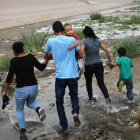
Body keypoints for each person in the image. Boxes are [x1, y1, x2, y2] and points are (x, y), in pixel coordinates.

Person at [1, 42, 49, 140]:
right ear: (23, 49)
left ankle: (23, 130)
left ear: (14, 51)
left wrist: (4, 91)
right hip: (34, 87)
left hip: (21, 89)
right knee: (31, 102)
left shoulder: (14, 61)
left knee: (19, 109)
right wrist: (46, 59)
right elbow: (41, 67)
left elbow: (9, 78)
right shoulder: (30, 57)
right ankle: (38, 109)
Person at [44, 21, 83, 135]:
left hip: (60, 76)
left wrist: (52, 55)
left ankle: (65, 128)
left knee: (59, 101)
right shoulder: (71, 40)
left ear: (53, 31)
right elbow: (81, 55)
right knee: (74, 96)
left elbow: (46, 56)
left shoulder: (50, 41)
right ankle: (75, 113)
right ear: (62, 29)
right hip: (72, 75)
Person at [80, 26, 113, 110]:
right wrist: (110, 62)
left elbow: (81, 53)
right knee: (101, 83)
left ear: (84, 35)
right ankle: (107, 98)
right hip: (98, 64)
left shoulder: (84, 42)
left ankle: (91, 99)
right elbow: (107, 51)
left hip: (88, 65)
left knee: (88, 82)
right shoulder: (97, 41)